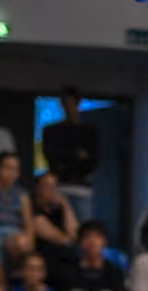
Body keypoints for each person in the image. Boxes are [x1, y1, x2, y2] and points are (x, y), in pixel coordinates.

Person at [42, 89, 100, 223]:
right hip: (58, 187)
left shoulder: (90, 132)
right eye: (65, 102)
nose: (68, 106)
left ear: (78, 102)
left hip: (81, 188)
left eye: (72, 102)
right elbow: (51, 156)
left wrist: (65, 158)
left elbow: (93, 160)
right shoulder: (52, 131)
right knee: (57, 226)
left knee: (83, 228)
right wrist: (76, 154)